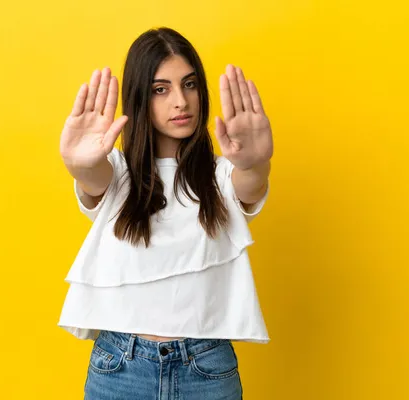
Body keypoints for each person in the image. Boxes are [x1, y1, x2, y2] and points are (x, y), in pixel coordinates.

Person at [57, 27, 273, 400]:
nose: (180, 101)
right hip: (120, 369)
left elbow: (249, 185)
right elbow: (93, 179)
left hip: (206, 369)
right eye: (162, 89)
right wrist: (79, 165)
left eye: (189, 84)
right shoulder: (118, 172)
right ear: (141, 97)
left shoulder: (221, 176)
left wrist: (256, 164)